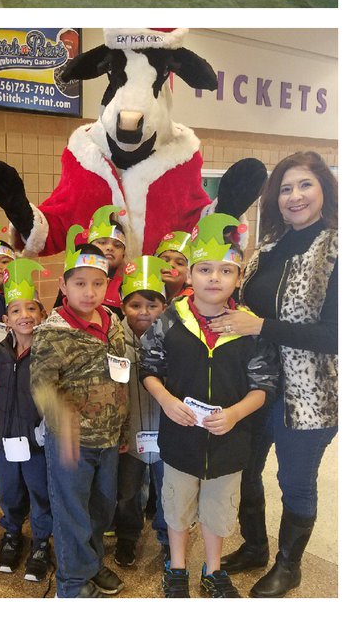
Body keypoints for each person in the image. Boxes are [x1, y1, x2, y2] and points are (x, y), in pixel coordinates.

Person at [218, 152, 337, 596]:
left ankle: (290, 566)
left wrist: (260, 326)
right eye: (285, 188)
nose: (295, 196)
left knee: (295, 481)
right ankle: (254, 546)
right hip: (256, 385)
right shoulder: (267, 248)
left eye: (305, 185)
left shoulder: (338, 249)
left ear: (324, 188)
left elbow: (337, 333)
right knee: (245, 469)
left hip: (309, 396)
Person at [140, 215, 278, 598]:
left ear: (238, 276)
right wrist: (166, 400)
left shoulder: (248, 328)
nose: (213, 278)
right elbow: (148, 368)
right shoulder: (170, 321)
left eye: (225, 270)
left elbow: (264, 385)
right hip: (180, 439)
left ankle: (214, 570)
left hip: (229, 443)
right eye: (204, 269)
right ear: (190, 275)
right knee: (177, 507)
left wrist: (234, 414)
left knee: (219, 512)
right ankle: (178, 567)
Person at [29, 227, 128, 598]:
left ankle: (92, 562)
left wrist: (124, 428)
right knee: (71, 511)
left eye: (98, 284)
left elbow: (122, 376)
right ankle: (72, 580)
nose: (90, 292)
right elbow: (41, 386)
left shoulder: (113, 323)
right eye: (81, 283)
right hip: (72, 441)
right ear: (64, 285)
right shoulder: (53, 332)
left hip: (109, 436)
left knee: (101, 509)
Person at [0, 260, 52, 581]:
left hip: (37, 441)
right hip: (5, 439)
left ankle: (41, 541)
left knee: (40, 492)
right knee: (9, 491)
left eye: (31, 308)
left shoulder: (48, 351)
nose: (24, 315)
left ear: (43, 315)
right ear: (6, 319)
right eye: (16, 310)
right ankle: (13, 534)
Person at [112, 257, 168, 568]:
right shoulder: (113, 342)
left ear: (164, 306)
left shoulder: (173, 341)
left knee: (167, 491)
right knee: (127, 493)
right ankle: (127, 537)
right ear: (123, 307)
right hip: (128, 436)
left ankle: (167, 537)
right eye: (135, 305)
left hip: (165, 434)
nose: (144, 312)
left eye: (152, 304)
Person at [155, 230, 193, 301]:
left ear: (189, 274)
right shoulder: (141, 294)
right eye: (164, 261)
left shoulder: (192, 302)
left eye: (179, 263)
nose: (170, 265)